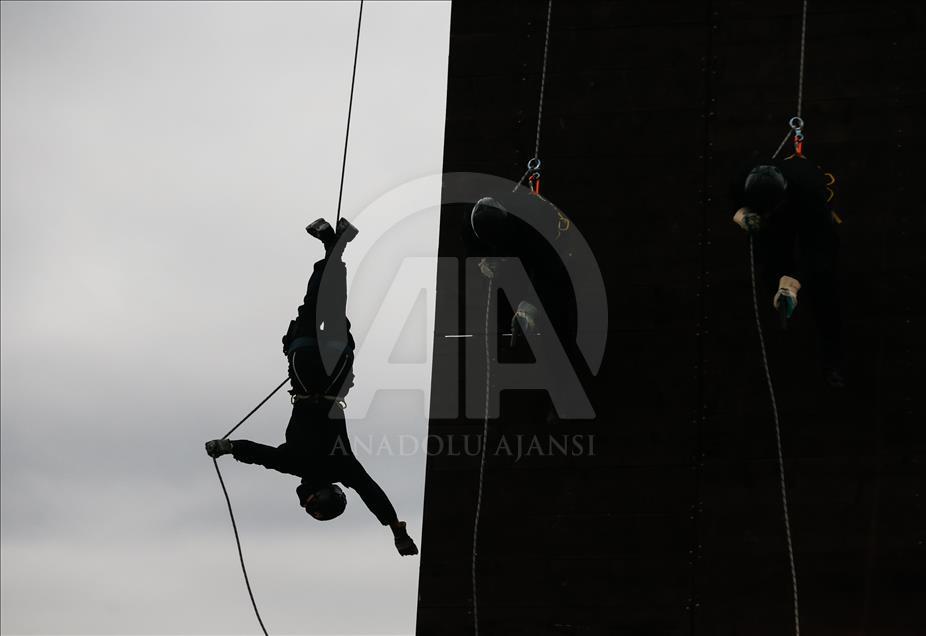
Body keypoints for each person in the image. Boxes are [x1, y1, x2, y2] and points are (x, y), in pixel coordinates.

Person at [206, 218, 419, 556]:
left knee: (333, 307)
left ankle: (336, 248)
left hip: (335, 373)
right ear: (314, 496)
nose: (302, 498)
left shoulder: (343, 466)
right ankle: (333, 248)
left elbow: (372, 494)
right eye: (307, 502)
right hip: (308, 371)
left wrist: (396, 530)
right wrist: (227, 446)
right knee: (314, 305)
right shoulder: (298, 465)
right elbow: (259, 454)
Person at [730, 158, 845, 388]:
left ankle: (833, 362)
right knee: (771, 258)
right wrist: (742, 214)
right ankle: (778, 296)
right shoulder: (741, 180)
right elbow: (732, 198)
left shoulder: (811, 195)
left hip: (810, 220)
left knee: (823, 287)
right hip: (781, 220)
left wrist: (794, 281)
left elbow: (818, 251)